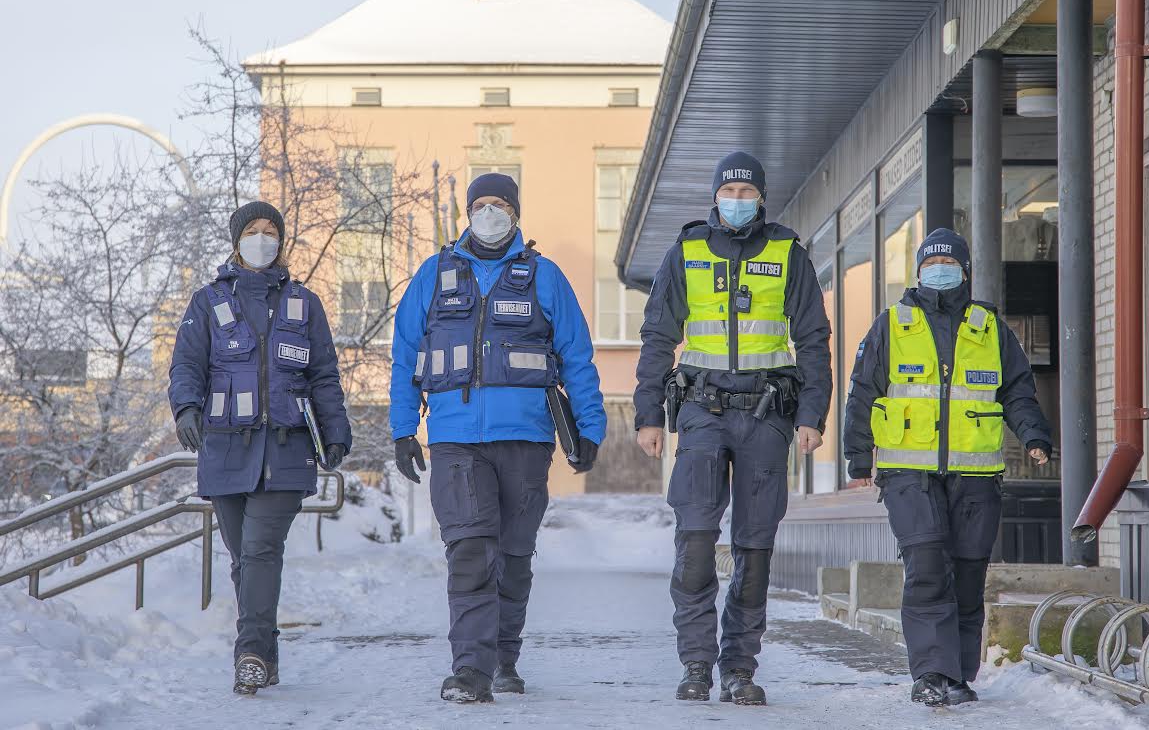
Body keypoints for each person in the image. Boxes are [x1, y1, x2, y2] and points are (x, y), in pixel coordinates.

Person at [390, 172, 607, 704]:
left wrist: (590, 427)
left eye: (500, 204)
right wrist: (402, 428)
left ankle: (503, 655)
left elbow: (577, 356)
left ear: (516, 213)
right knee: (469, 549)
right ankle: (470, 669)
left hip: (526, 438)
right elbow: (404, 355)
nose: (490, 213)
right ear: (467, 212)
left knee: (512, 555)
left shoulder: (545, 276)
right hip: (454, 439)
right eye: (481, 204)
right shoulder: (433, 275)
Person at [634, 151, 831, 706]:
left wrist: (813, 415)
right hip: (699, 412)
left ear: (762, 198)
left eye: (748, 193)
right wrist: (648, 414)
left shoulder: (788, 252)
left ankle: (740, 666)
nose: (738, 201)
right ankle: (697, 662)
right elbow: (657, 337)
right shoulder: (688, 251)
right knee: (696, 538)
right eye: (730, 192)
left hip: (767, 415)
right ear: (715, 195)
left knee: (755, 545)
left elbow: (814, 338)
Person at [842, 227, 1052, 707]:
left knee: (968, 571)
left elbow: (1018, 390)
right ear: (918, 272)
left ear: (964, 271)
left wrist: (1034, 435)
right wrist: (859, 457)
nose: (940, 271)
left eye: (949, 264)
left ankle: (958, 673)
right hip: (907, 473)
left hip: (976, 474)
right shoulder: (890, 325)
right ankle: (930, 674)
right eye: (931, 264)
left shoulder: (990, 328)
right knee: (928, 565)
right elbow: (862, 394)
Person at [168, 201, 351, 695]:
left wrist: (336, 431)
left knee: (260, 550)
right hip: (225, 450)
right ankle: (265, 657)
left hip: (287, 450)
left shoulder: (304, 304)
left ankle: (247, 654)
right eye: (253, 230)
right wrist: (186, 408)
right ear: (236, 240)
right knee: (243, 560)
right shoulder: (208, 302)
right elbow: (186, 363)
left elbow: (324, 376)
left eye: (272, 231)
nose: (263, 239)